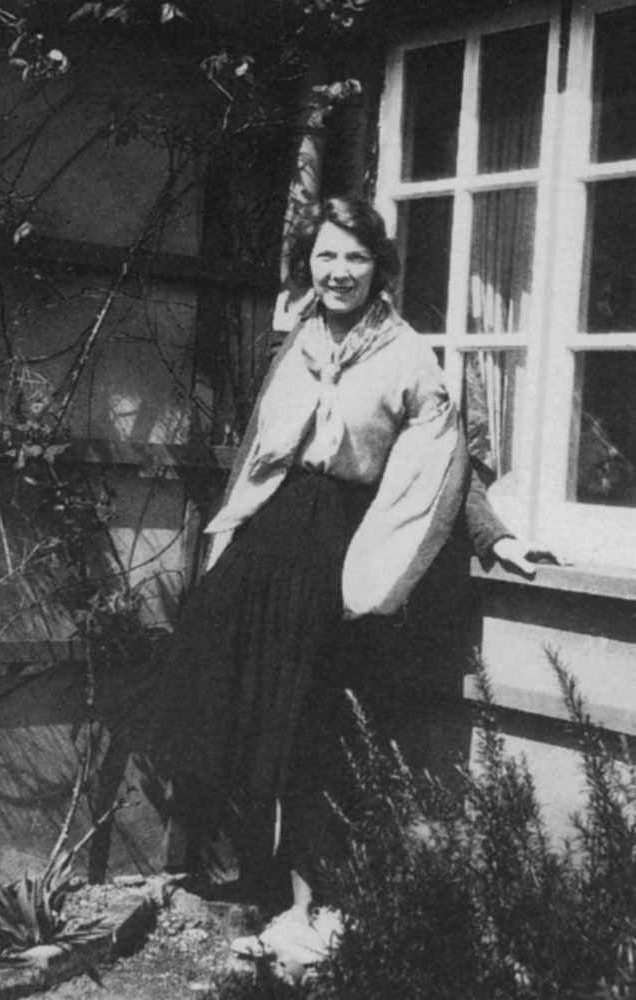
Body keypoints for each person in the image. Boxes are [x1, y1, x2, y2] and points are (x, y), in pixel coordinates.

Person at [142, 195, 537, 972]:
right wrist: (229, 533)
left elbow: (447, 465)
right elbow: (260, 446)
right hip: (269, 541)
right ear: (308, 265)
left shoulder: (406, 357)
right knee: (219, 694)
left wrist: (499, 537)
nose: (338, 271)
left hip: (346, 551)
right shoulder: (293, 343)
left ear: (378, 269)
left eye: (355, 257)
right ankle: (251, 882)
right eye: (325, 256)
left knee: (314, 725)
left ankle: (317, 908)